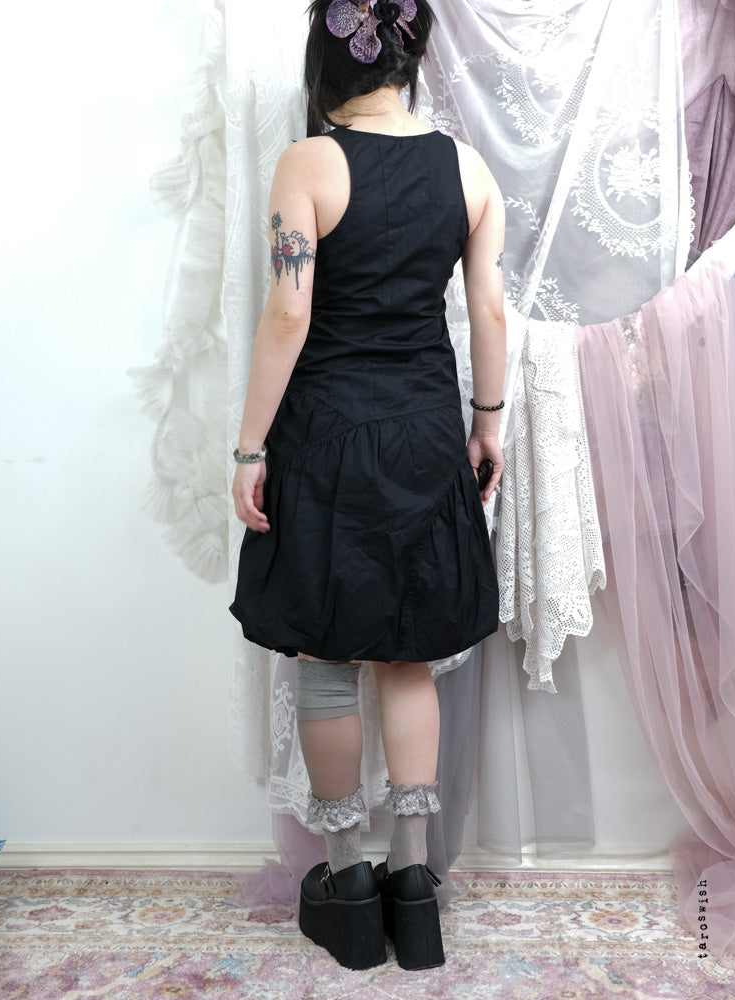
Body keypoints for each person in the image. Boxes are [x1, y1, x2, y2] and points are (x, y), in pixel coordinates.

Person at [230, 0, 506, 972]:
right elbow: (489, 311)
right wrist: (488, 424)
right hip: (427, 435)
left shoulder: (309, 162)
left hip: (326, 438)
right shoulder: (469, 170)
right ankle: (415, 888)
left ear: (330, 57)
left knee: (324, 660)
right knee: (407, 657)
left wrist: (249, 449)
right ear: (410, 56)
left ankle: (349, 889)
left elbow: (287, 314)